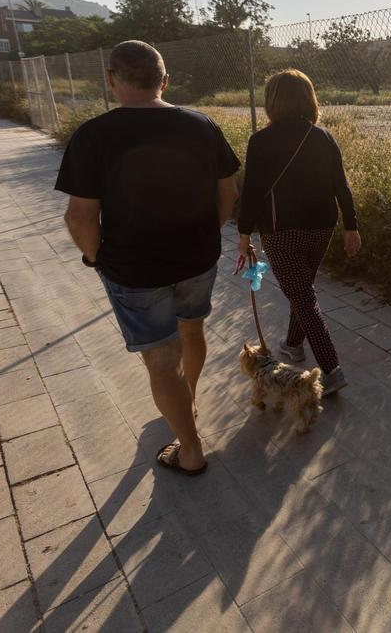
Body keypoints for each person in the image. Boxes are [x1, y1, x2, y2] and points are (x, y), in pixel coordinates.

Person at [56, 40, 240, 475]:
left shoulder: (93, 135)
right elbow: (228, 193)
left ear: (111, 80)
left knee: (160, 358)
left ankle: (190, 450)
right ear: (165, 81)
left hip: (134, 269)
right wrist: (203, 236)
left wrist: (96, 258)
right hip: (197, 259)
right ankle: (187, 400)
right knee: (191, 330)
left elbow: (80, 217)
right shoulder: (202, 125)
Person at [237, 69, 360, 396]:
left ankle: (332, 370)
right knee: (302, 288)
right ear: (309, 98)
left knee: (303, 296)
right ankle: (293, 345)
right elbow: (341, 187)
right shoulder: (322, 137)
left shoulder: (261, 141)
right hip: (323, 226)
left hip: (281, 232)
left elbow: (251, 192)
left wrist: (244, 232)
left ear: (271, 101)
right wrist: (352, 226)